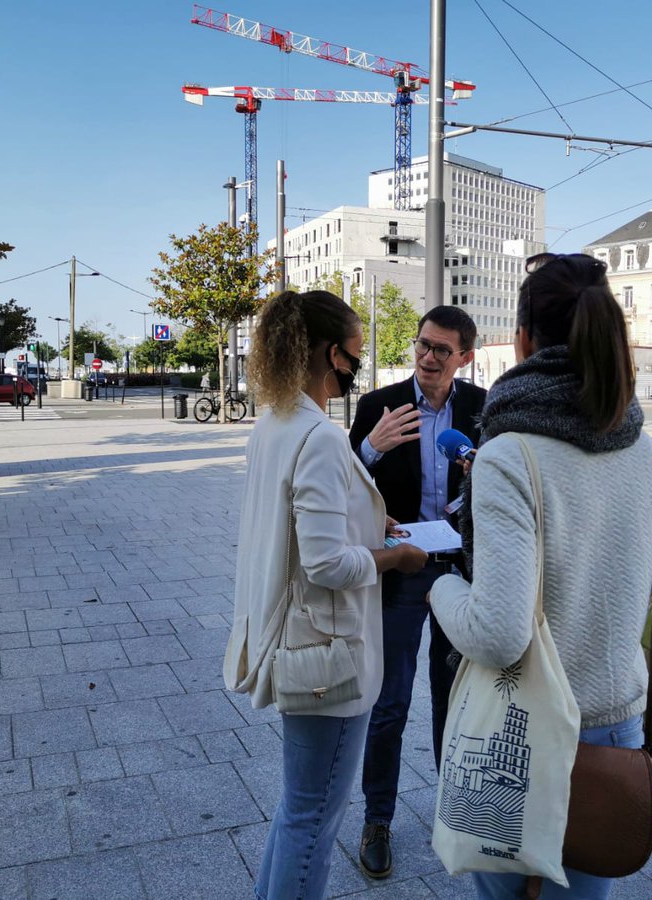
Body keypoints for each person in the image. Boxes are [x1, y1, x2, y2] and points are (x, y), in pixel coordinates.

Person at [429, 252, 652, 900]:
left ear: (524, 340)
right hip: (615, 723)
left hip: (521, 732)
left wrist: (439, 584)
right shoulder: (637, 440)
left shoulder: (508, 454)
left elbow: (498, 634)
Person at [226, 290, 427, 900]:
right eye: (356, 350)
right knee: (312, 820)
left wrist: (373, 525)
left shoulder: (275, 421)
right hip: (327, 656)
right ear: (328, 353)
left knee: (296, 812)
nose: (359, 361)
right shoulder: (316, 434)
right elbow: (322, 562)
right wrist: (396, 556)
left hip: (295, 639)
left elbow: (299, 532)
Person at [347, 305, 486, 879]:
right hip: (403, 569)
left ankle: (453, 814)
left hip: (460, 569)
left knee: (456, 703)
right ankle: (377, 818)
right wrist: (371, 450)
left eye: (442, 350)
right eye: (423, 345)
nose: (428, 358)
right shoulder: (379, 404)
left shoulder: (483, 409)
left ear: (465, 358)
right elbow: (345, 482)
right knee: (390, 704)